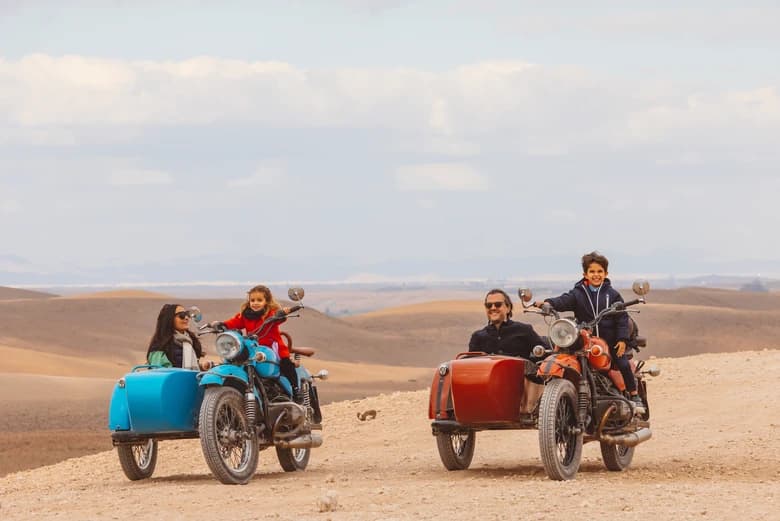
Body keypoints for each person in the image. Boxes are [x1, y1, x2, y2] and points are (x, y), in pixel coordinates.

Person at [534, 251, 642, 406]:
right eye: (592, 271)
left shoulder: (613, 295)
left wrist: (622, 339)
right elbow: (563, 301)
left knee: (623, 363)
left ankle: (634, 394)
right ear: (585, 274)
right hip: (586, 341)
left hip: (609, 341)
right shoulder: (578, 293)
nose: (596, 275)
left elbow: (622, 319)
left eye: (599, 271)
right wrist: (548, 303)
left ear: (606, 273)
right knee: (565, 356)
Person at [210, 285, 298, 397]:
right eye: (252, 300)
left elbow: (279, 318)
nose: (255, 303)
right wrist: (221, 324)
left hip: (271, 347)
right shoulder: (245, 315)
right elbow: (233, 322)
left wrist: (283, 313)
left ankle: (296, 389)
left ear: (267, 301)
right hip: (252, 347)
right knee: (235, 360)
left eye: (259, 300)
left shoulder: (270, 314)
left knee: (286, 363)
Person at [469, 288, 546, 359]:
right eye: (489, 305)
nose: (493, 308)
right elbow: (470, 364)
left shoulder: (524, 330)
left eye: (498, 304)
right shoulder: (477, 337)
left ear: (508, 307)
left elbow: (543, 354)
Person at [146, 304, 213, 370]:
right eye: (182, 315)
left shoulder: (190, 341)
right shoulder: (160, 345)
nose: (186, 318)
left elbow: (188, 367)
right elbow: (159, 372)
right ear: (170, 319)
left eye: (187, 314)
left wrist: (202, 366)